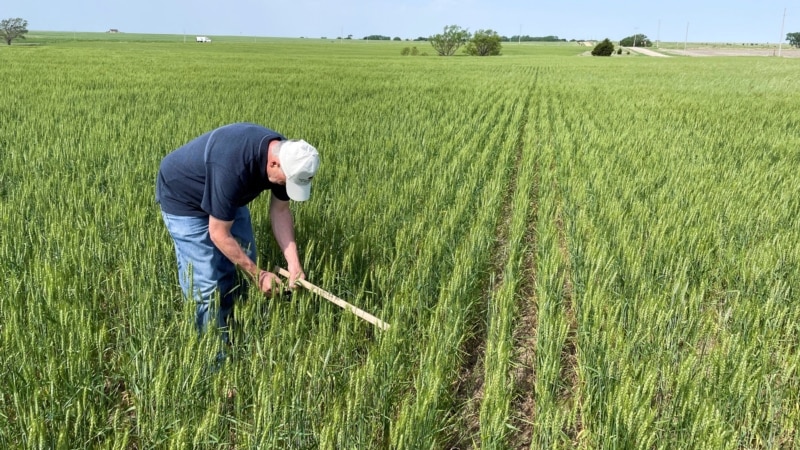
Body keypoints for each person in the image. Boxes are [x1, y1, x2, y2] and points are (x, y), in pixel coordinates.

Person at [155, 122, 320, 343]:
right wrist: (259, 275)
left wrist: (294, 264)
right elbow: (218, 233)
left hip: (226, 193)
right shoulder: (234, 166)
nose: (287, 187)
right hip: (183, 197)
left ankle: (234, 318)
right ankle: (212, 354)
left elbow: (280, 211)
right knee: (205, 284)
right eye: (288, 182)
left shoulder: (289, 159)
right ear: (273, 164)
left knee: (245, 255)